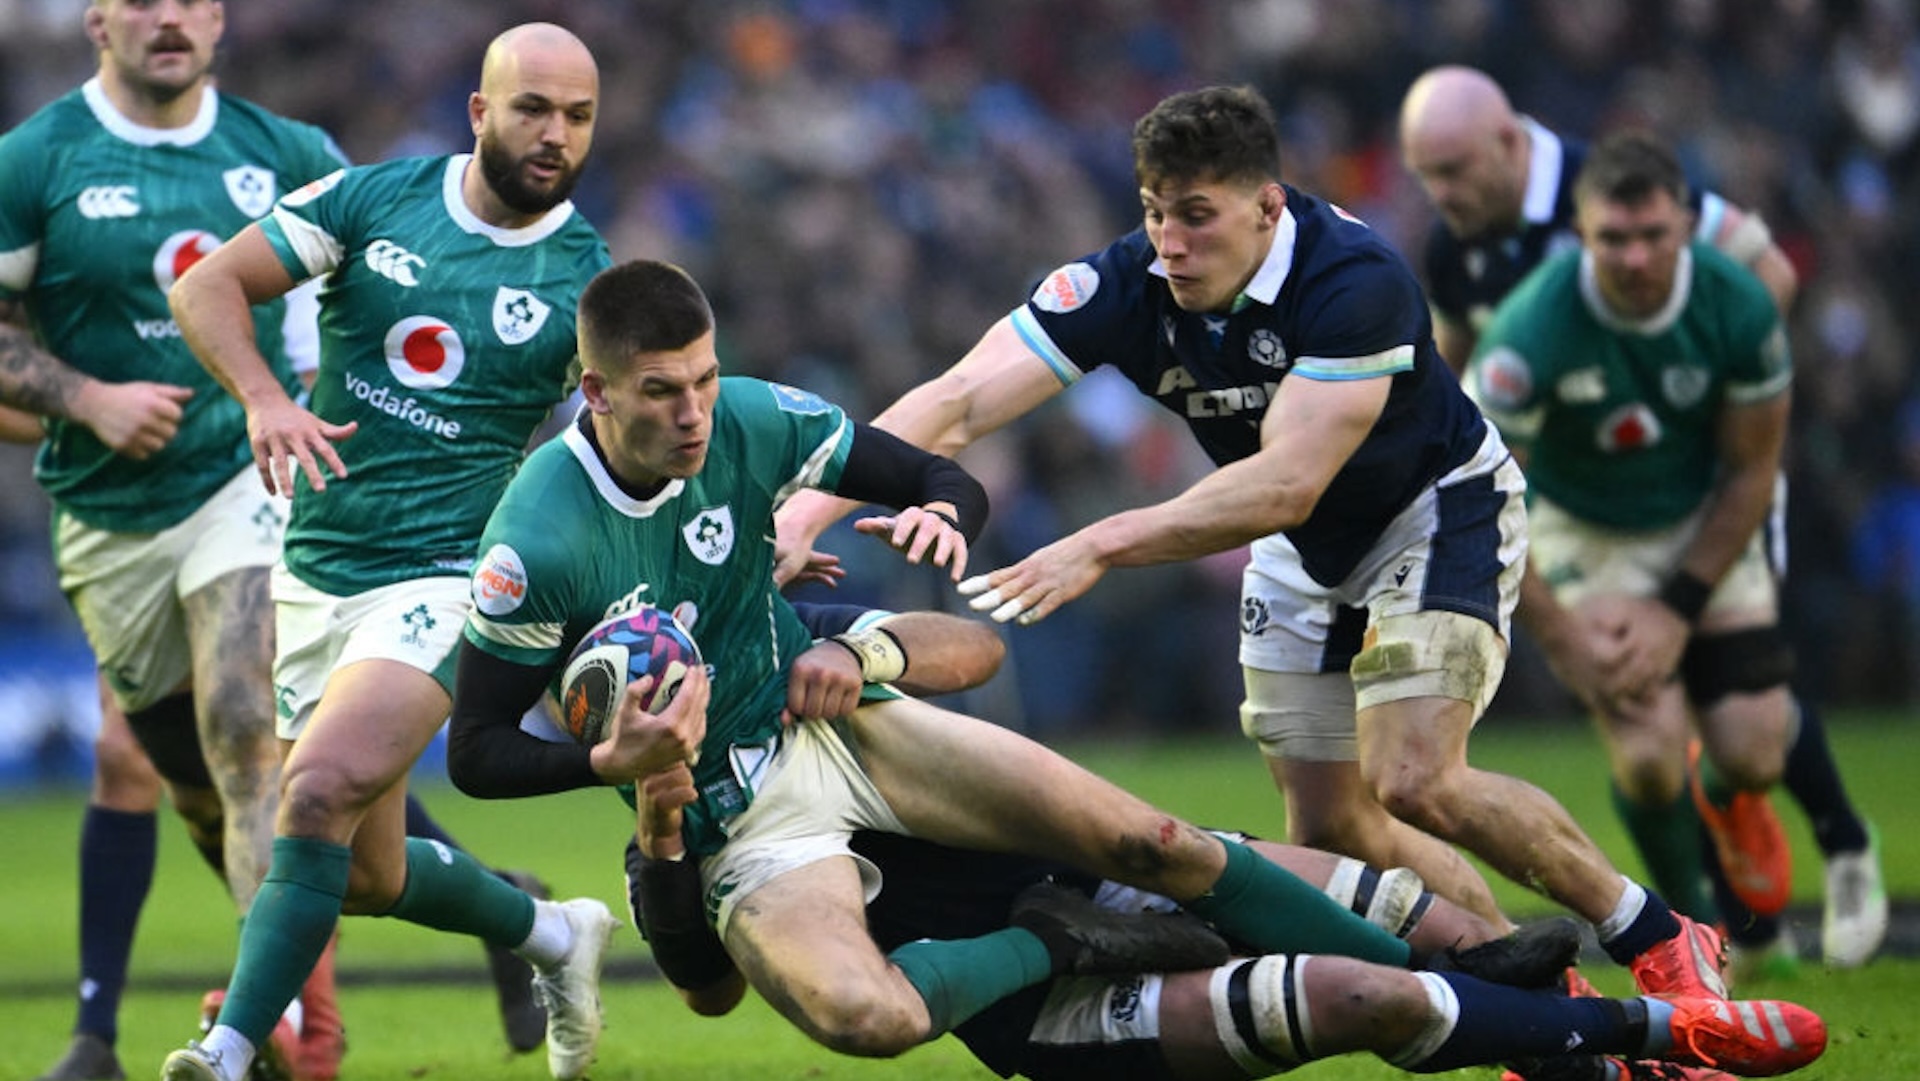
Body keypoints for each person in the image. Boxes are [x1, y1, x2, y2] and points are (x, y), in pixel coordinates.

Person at [444, 257, 1818, 1078]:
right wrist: (615, 764)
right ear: (593, 390)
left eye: (703, 380)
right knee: (866, 1020)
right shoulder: (535, 543)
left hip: (833, 729)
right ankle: (1064, 934)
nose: (693, 413)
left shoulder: (751, 421)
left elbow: (927, 472)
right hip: (741, 817)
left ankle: (1616, 1009)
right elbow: (480, 752)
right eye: (661, 394)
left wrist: (941, 518)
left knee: (1148, 832)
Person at [773, 84, 1740, 1005]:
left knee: (1415, 777)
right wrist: (801, 517)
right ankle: (1542, 1004)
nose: (1171, 244)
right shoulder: (1124, 281)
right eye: (1155, 212)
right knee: (1334, 830)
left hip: (1431, 508)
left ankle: (1653, 932)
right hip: (1296, 543)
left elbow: (1289, 479)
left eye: (1197, 215)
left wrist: (1102, 541)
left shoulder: (1355, 280)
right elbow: (959, 398)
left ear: (1269, 206)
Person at [620, 605, 1815, 1081]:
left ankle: (1588, 1060)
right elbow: (710, 987)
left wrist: (867, 650)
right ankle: (1658, 1028)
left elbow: (970, 644)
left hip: (1110, 869)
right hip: (1032, 1000)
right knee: (1368, 995)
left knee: (1442, 922)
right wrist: (661, 836)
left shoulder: (768, 639)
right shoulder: (683, 813)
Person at [158, 22, 615, 1081]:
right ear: (481, 111)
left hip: (456, 580)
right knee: (358, 870)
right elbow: (204, 288)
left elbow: (634, 442)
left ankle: (228, 1052)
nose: (556, 135)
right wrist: (266, 399)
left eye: (579, 116)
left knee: (309, 797)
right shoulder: (372, 201)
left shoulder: (589, 284)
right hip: (318, 569)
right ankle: (552, 932)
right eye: (534, 109)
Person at [1400, 64, 1887, 975]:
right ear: (1582, 237)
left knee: (1748, 734)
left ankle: (1834, 834)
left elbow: (1768, 282)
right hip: (1584, 517)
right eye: (1426, 174)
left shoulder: (1627, 182)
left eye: (1455, 170)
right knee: (1649, 747)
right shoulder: (1480, 273)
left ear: (1510, 143)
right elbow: (1464, 406)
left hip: (1703, 483)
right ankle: (1704, 931)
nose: (1442, 194)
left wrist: (1690, 375)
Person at [0, 1, 347, 1075]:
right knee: (187, 779)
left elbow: (367, 305)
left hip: (247, 480)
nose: (169, 17)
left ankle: (270, 1029)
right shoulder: (34, 159)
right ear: (97, 16)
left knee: (248, 724)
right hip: (107, 521)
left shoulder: (288, 155)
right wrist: (88, 398)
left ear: (220, 20)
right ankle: (516, 917)